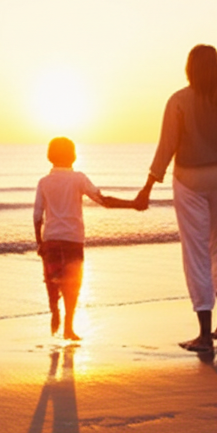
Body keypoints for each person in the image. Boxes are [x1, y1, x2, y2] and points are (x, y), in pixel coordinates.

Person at [135, 45, 217, 353]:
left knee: (195, 254)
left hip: (190, 179)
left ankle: (204, 334)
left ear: (189, 68)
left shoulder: (179, 101)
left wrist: (148, 186)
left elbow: (167, 147)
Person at [34, 137, 137, 341]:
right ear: (73, 155)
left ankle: (54, 310)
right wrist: (132, 204)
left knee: (52, 280)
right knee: (73, 284)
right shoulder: (78, 179)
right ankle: (69, 327)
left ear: (49, 157)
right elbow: (103, 200)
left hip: (51, 238)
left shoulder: (44, 182)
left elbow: (37, 215)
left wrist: (39, 242)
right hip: (73, 239)